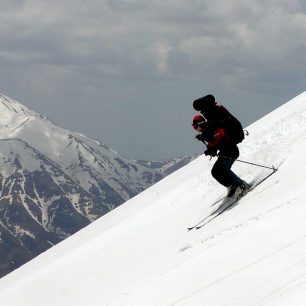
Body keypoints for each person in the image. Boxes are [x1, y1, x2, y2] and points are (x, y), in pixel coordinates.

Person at [192, 114, 249, 198]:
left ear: (200, 124)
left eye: (195, 127)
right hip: (224, 153)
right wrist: (210, 151)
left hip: (231, 151)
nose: (195, 129)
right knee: (215, 172)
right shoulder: (206, 132)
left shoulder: (212, 126)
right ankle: (231, 186)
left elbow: (219, 136)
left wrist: (207, 138)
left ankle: (241, 185)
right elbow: (213, 145)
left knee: (223, 169)